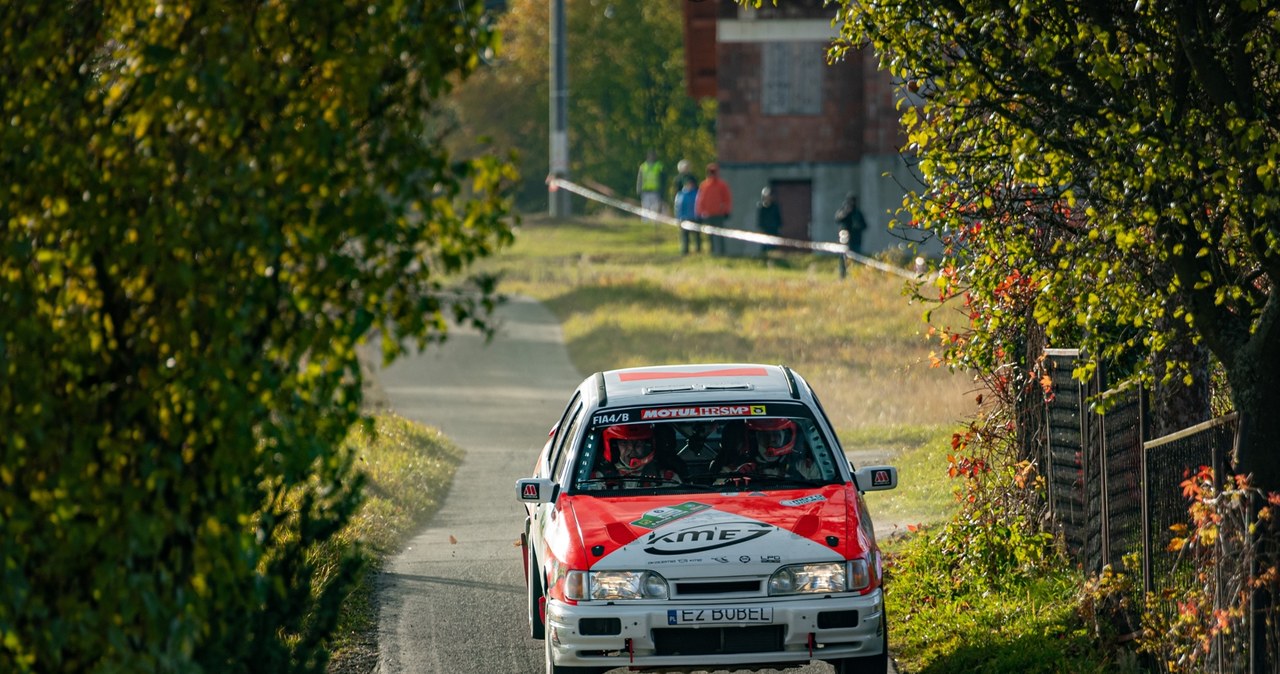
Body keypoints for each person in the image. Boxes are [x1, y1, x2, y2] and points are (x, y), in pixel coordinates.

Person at [716, 418, 820, 482]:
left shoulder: (801, 465)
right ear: (754, 438)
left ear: (785, 437)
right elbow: (717, 491)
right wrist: (733, 478)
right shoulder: (736, 468)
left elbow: (824, 486)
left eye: (776, 434)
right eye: (765, 435)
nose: (772, 439)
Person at [587, 424, 681, 488]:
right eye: (624, 443)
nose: (631, 449)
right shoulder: (598, 479)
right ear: (614, 447)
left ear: (647, 445)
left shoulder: (667, 479)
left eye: (638, 443)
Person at [695, 163, 732, 256]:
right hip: (708, 214)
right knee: (710, 235)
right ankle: (712, 252)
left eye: (714, 172)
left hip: (719, 214)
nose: (712, 174)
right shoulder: (704, 185)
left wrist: (726, 210)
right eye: (710, 172)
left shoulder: (722, 185)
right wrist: (700, 212)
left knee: (720, 234)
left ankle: (722, 253)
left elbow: (727, 199)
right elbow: (700, 199)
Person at [673, 175, 702, 255]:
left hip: (695, 217)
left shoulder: (697, 193)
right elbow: (677, 207)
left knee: (697, 235)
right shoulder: (680, 194)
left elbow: (699, 205)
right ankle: (685, 251)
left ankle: (698, 249)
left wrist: (700, 215)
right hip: (684, 218)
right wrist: (678, 217)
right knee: (684, 236)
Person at [636, 149, 665, 222]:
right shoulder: (643, 166)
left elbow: (663, 179)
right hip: (645, 190)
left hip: (656, 190)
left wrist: (662, 190)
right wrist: (638, 189)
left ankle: (655, 222)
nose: (651, 157)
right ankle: (645, 222)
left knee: (655, 208)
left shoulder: (659, 166)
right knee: (645, 207)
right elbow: (639, 179)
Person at [756, 186, 782, 256]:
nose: (766, 198)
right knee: (764, 248)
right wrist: (761, 228)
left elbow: (778, 219)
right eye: (765, 196)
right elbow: (760, 219)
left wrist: (778, 227)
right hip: (765, 230)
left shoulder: (775, 207)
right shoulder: (762, 208)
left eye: (768, 196)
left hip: (773, 230)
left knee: (772, 248)